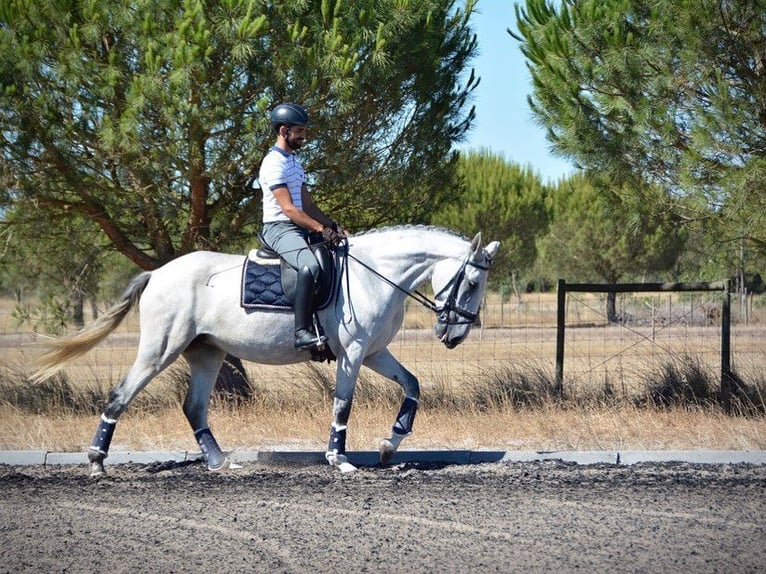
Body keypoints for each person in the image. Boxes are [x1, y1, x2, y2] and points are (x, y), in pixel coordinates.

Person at [259, 102, 346, 350]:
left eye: (305, 132)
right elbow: (288, 209)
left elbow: (307, 205)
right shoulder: (274, 163)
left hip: (299, 226)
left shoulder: (295, 163)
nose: (304, 137)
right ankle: (301, 332)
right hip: (279, 228)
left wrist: (333, 226)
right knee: (309, 266)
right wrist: (320, 230)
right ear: (284, 131)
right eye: (300, 131)